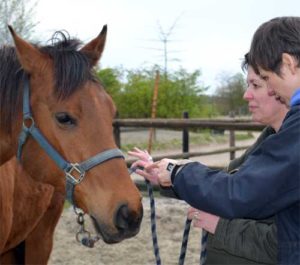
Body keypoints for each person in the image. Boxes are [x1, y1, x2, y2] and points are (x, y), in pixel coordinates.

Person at [130, 17, 300, 264]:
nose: (271, 88)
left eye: (262, 79)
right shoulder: (277, 139)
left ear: (288, 63)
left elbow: (240, 193)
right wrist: (172, 177)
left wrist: (179, 175)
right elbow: (233, 180)